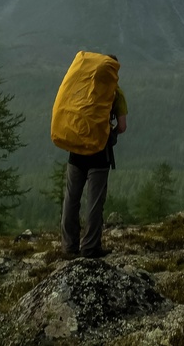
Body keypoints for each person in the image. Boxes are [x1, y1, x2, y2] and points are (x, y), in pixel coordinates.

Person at [61, 57, 128, 259]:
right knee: (94, 202)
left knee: (71, 199)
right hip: (100, 153)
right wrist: (111, 133)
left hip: (76, 150)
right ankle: (90, 248)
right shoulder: (115, 92)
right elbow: (123, 126)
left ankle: (68, 247)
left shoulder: (83, 84)